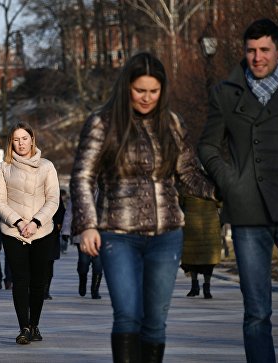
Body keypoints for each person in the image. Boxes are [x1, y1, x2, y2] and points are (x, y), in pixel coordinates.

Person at [70, 52, 215, 362]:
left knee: (155, 322)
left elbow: (188, 173)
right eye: (140, 90)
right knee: (127, 315)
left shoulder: (173, 123)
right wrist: (87, 225)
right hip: (117, 234)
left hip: (166, 235)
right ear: (126, 87)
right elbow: (83, 177)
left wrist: (225, 191)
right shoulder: (102, 122)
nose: (147, 98)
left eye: (154, 91)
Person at [198, 18, 278, 363]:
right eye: (251, 50)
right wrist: (231, 182)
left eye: (264, 50)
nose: (257, 58)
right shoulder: (225, 93)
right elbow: (208, 147)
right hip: (248, 211)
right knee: (257, 310)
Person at [0, 122, 60, 345]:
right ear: (10, 142)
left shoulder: (47, 166)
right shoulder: (4, 167)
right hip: (13, 231)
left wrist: (36, 222)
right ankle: (23, 327)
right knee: (20, 280)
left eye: (24, 138)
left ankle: (34, 324)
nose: (20, 143)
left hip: (42, 231)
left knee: (38, 281)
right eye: (16, 139)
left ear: (32, 139)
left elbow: (53, 199)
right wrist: (19, 222)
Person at [179, 195, 222, 299]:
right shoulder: (212, 182)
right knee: (208, 259)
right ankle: (207, 288)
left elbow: (180, 201)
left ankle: (194, 286)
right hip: (210, 225)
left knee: (192, 256)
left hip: (191, 223)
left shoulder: (186, 182)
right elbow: (220, 202)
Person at [62, 199, 104, 299]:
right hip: (81, 234)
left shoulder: (105, 191)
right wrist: (66, 231)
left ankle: (95, 290)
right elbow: (69, 213)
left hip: (100, 235)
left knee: (98, 264)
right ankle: (83, 279)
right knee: (83, 262)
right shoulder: (78, 191)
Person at [43, 190, 66, 300]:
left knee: (49, 262)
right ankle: (36, 289)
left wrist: (58, 224)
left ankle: (45, 290)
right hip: (34, 231)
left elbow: (61, 209)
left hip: (51, 232)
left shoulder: (54, 191)